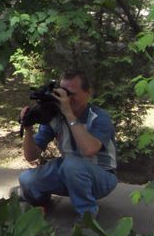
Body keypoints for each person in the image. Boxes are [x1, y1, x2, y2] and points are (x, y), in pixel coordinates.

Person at [16, 70, 118, 219]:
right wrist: (28, 130)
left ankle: (87, 215)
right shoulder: (55, 117)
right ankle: (43, 202)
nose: (67, 99)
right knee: (27, 179)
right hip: (68, 172)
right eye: (63, 93)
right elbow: (31, 156)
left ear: (88, 93)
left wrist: (69, 114)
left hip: (101, 177)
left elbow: (89, 149)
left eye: (72, 94)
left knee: (71, 164)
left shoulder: (99, 117)